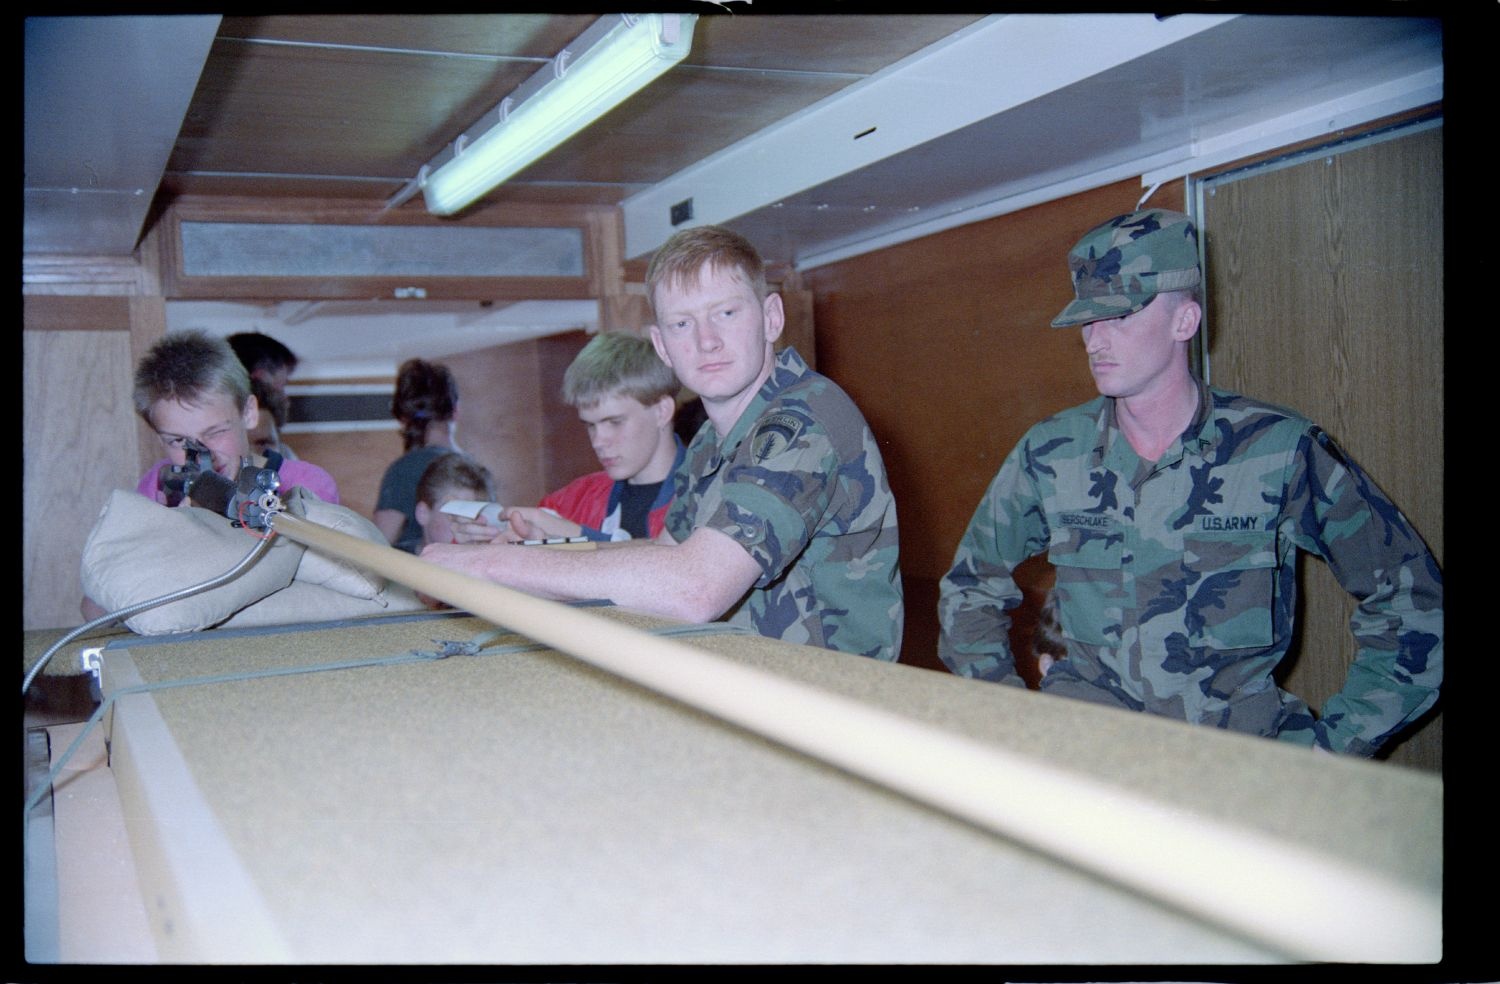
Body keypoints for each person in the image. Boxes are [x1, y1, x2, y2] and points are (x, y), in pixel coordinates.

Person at [937, 208, 1442, 756]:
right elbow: (970, 587)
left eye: (1120, 316)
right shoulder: (1052, 453)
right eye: (1088, 320)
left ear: (1185, 321)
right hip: (1088, 755)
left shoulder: (1277, 450)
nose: (1094, 341)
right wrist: (1007, 719)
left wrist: (1332, 753)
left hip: (1234, 764)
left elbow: (1412, 599)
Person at [423, 225, 904, 661]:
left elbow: (695, 588)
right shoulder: (713, 440)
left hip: (830, 710)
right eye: (682, 324)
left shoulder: (803, 419)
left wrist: (489, 565)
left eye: (727, 313)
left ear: (771, 318)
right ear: (661, 344)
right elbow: (664, 555)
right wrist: (535, 555)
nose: (706, 340)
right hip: (755, 692)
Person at [503, 331, 685, 544]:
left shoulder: (711, 498)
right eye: (590, 425)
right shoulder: (568, 503)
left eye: (615, 422)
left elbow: (681, 564)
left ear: (661, 411)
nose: (598, 441)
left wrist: (579, 538)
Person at [133, 330, 339, 506]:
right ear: (160, 439)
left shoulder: (307, 486)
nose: (201, 456)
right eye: (177, 440)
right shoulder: (156, 485)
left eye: (215, 432)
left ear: (249, 413)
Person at [374, 358, 461, 553]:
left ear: (403, 418)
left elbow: (377, 545)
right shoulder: (476, 470)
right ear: (455, 411)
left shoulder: (404, 470)